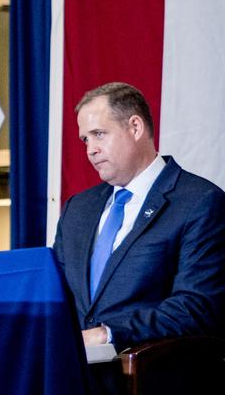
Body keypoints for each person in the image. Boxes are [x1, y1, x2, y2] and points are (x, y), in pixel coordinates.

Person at [54, 82, 225, 351]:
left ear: (135, 127)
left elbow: (197, 306)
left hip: (151, 382)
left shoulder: (199, 201)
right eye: (85, 139)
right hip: (76, 383)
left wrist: (108, 334)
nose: (90, 149)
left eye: (99, 134)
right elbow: (58, 295)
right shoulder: (78, 208)